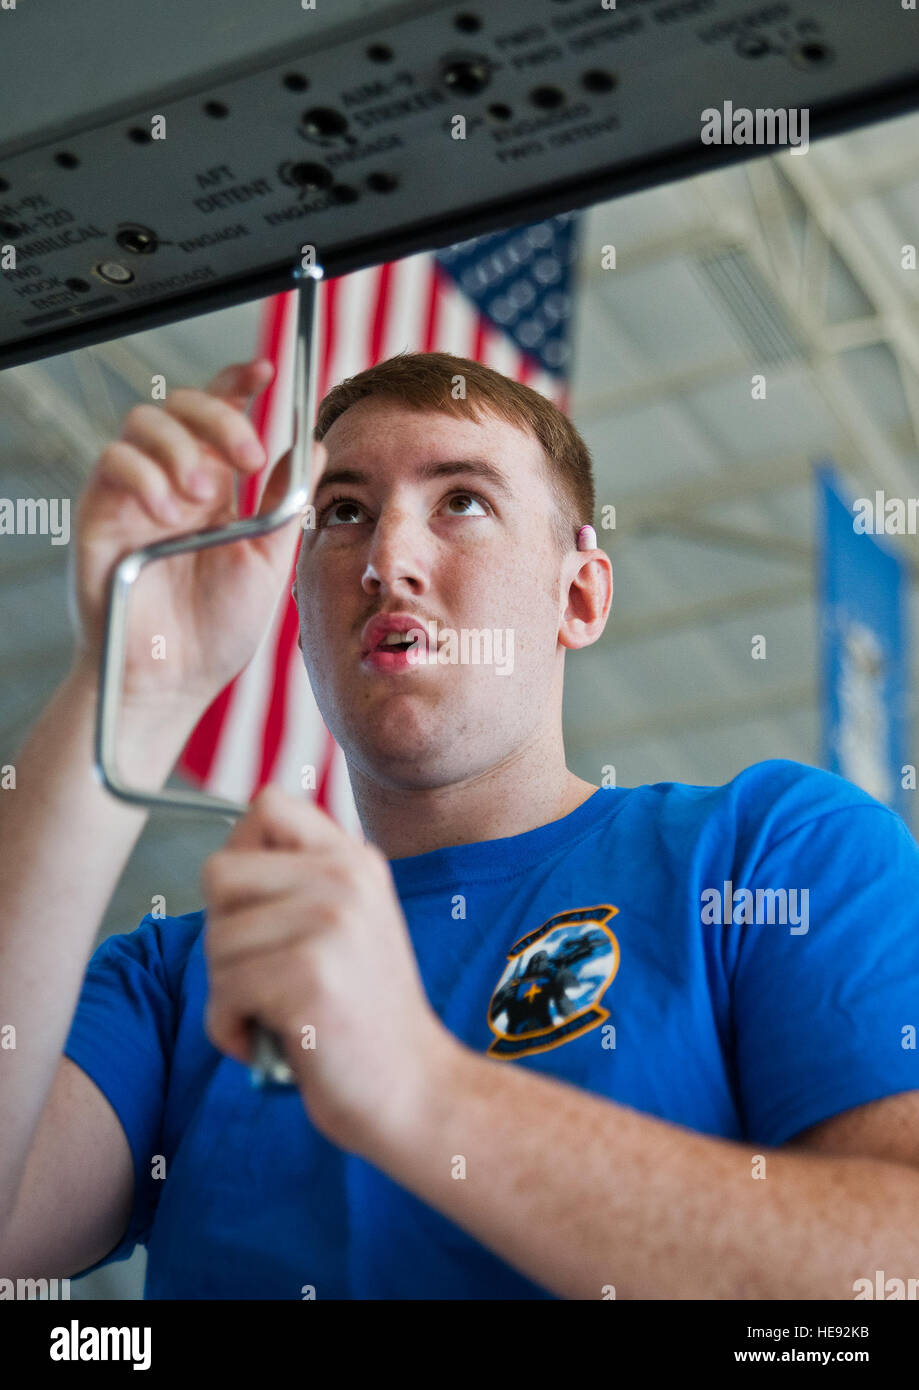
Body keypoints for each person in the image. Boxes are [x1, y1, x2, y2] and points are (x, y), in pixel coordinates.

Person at [1, 350, 918, 1301]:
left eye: (463, 501)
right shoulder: (192, 976)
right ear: (300, 609)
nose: (386, 560)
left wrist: (419, 1089)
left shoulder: (772, 850)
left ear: (579, 594)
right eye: (343, 512)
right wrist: (128, 684)